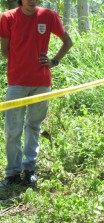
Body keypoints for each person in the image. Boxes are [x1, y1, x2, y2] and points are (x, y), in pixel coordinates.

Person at [0, 0, 72, 188]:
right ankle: (12, 173)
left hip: (41, 83)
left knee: (33, 126)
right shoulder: (8, 17)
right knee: (13, 130)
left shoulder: (48, 16)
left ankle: (29, 169)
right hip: (16, 83)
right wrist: (22, 63)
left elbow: (68, 41)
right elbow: (5, 51)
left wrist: (54, 61)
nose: (32, 1)